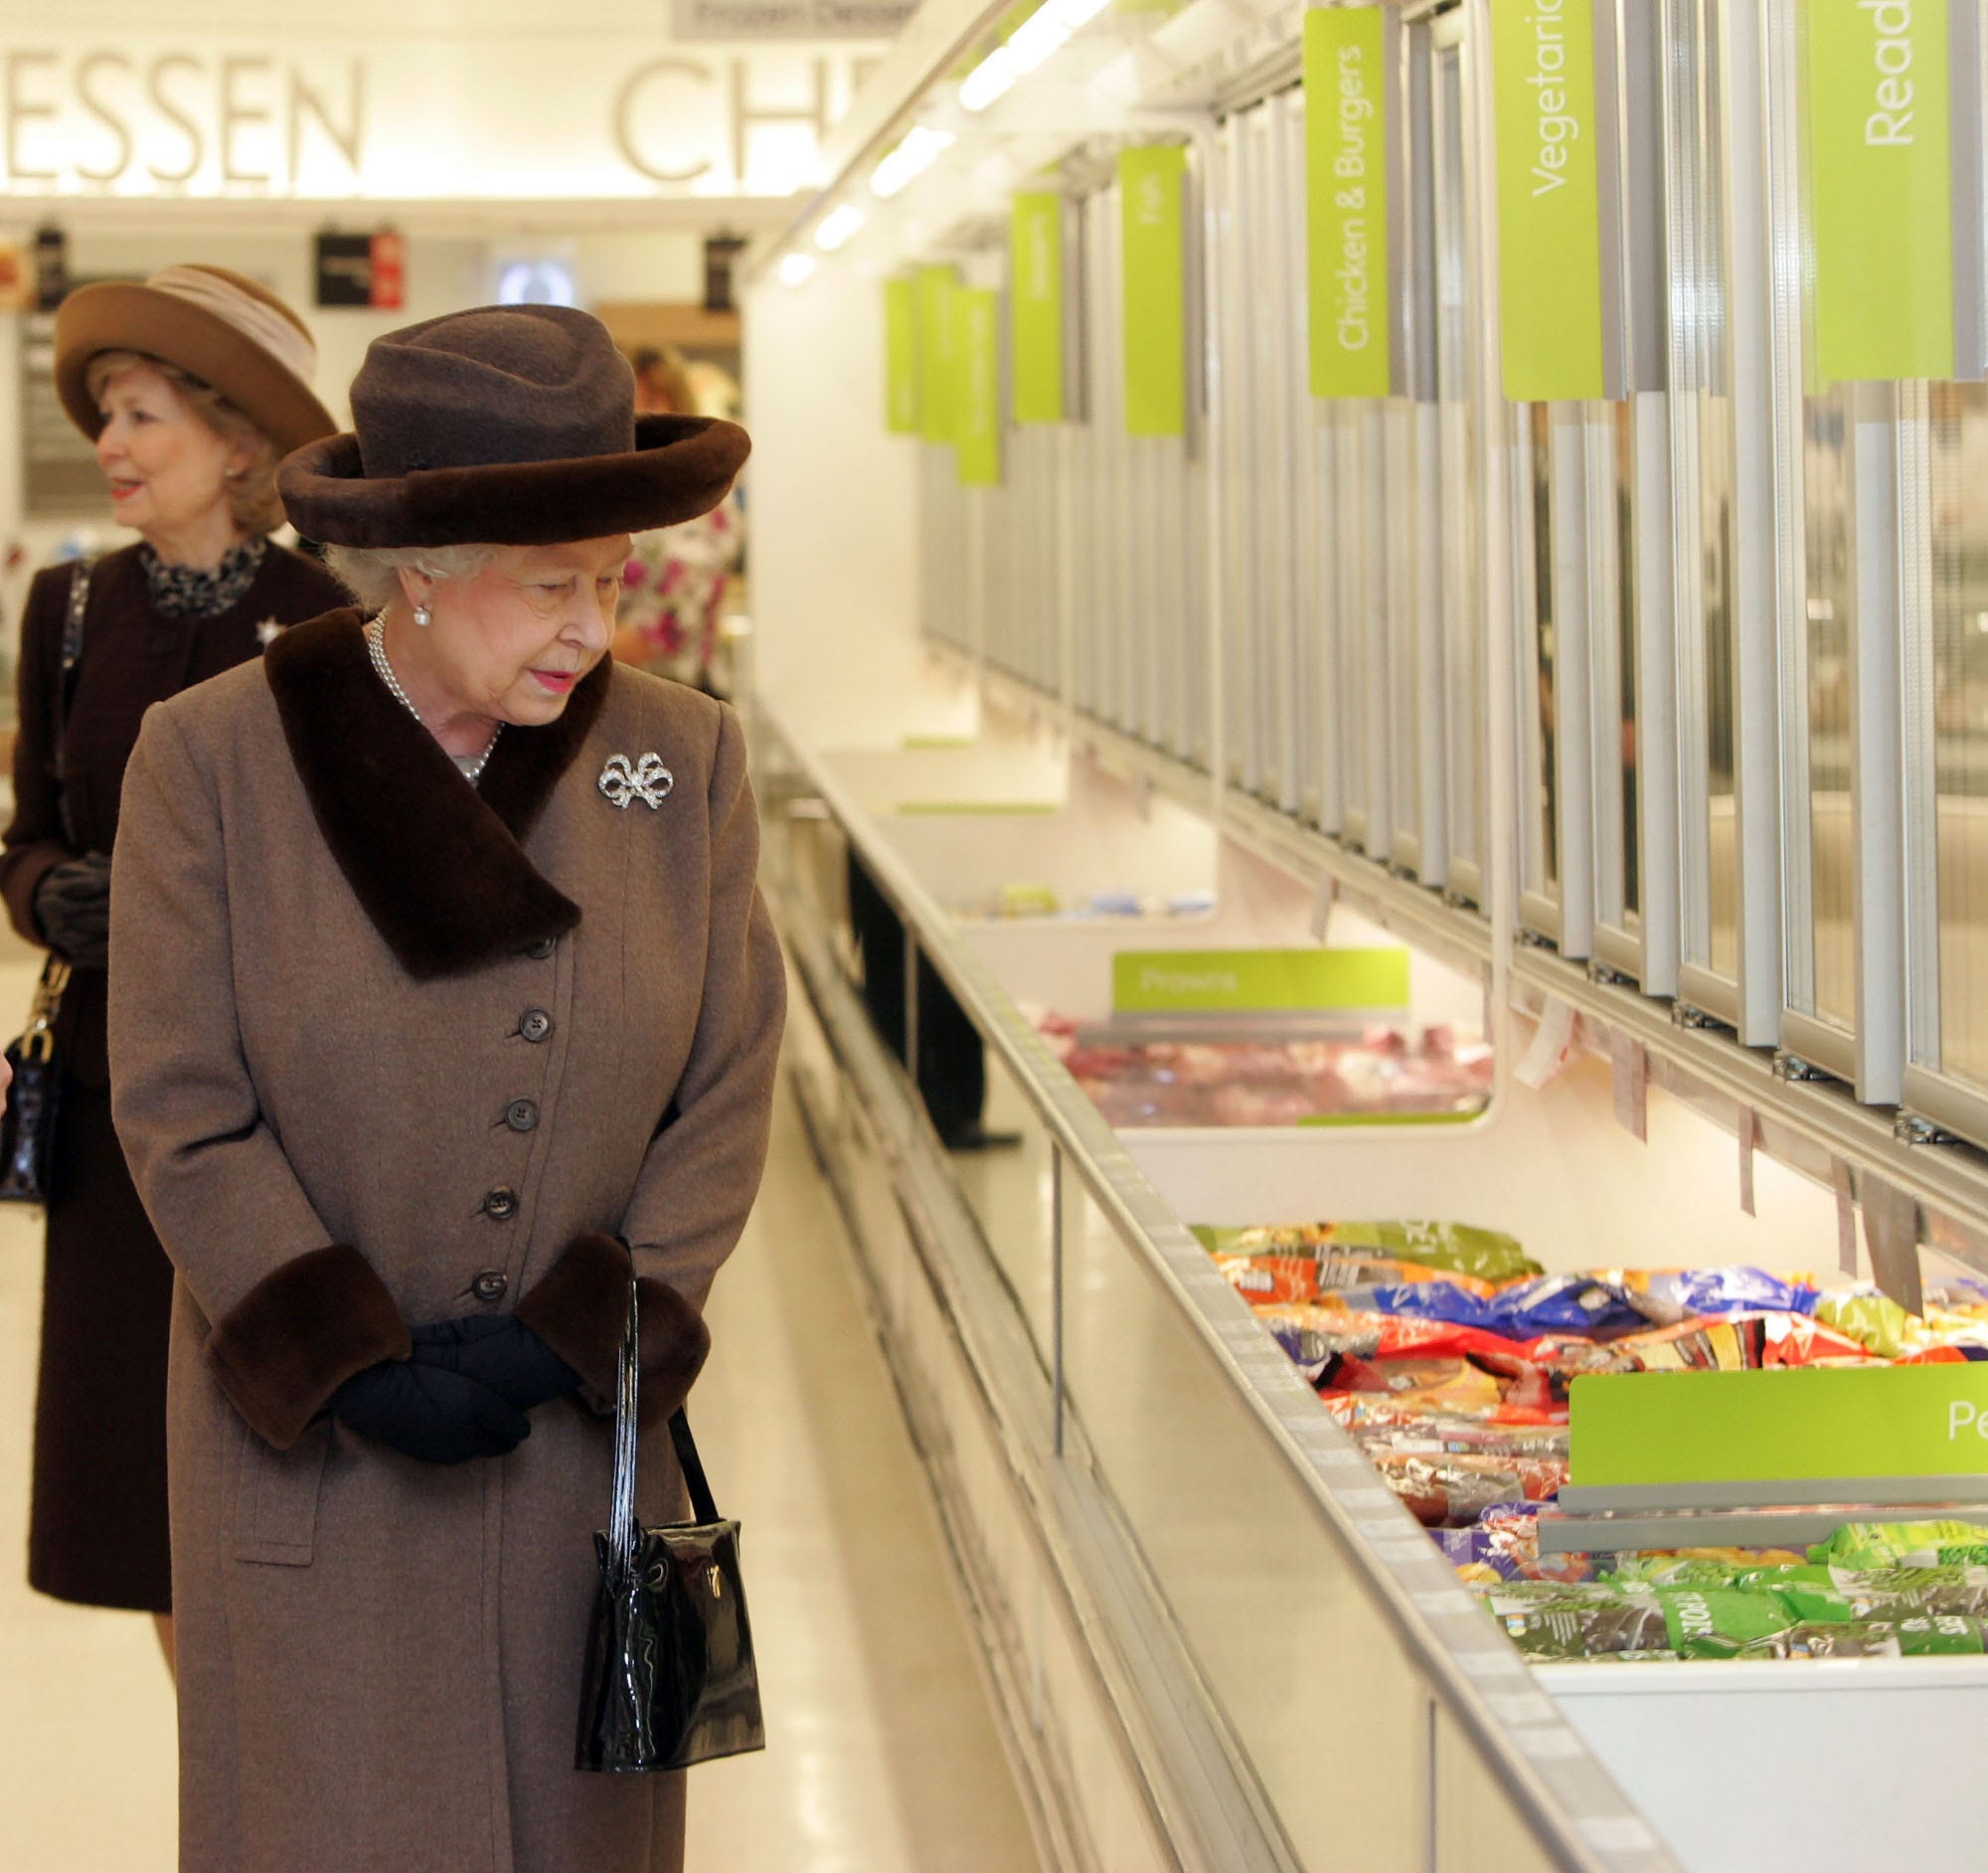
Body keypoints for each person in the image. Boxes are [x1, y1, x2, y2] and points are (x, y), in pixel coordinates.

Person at [107, 303, 783, 1872]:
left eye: (612, 580)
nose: (592, 628)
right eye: (552, 585)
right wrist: (340, 1348)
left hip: (574, 1463)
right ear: (417, 569)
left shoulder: (677, 766)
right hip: (316, 1458)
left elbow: (731, 1079)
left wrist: (592, 1327)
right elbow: (179, 1100)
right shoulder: (212, 760)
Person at [0, 264, 344, 1665]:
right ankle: (225, 1766)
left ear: (238, 440)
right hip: (107, 1099)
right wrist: (48, 896)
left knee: (282, 1438)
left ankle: (298, 1753)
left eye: (142, 415)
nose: (115, 448)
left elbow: (355, 872)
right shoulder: (66, 613)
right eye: (107, 420)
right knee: (141, 1484)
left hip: (283, 1107)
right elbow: (21, 842)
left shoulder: (325, 619)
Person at [612, 342, 744, 694]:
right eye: (630, 403)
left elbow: (664, 625)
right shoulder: (617, 495)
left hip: (675, 694)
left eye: (653, 399)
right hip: (614, 688)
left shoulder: (704, 500)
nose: (640, 413)